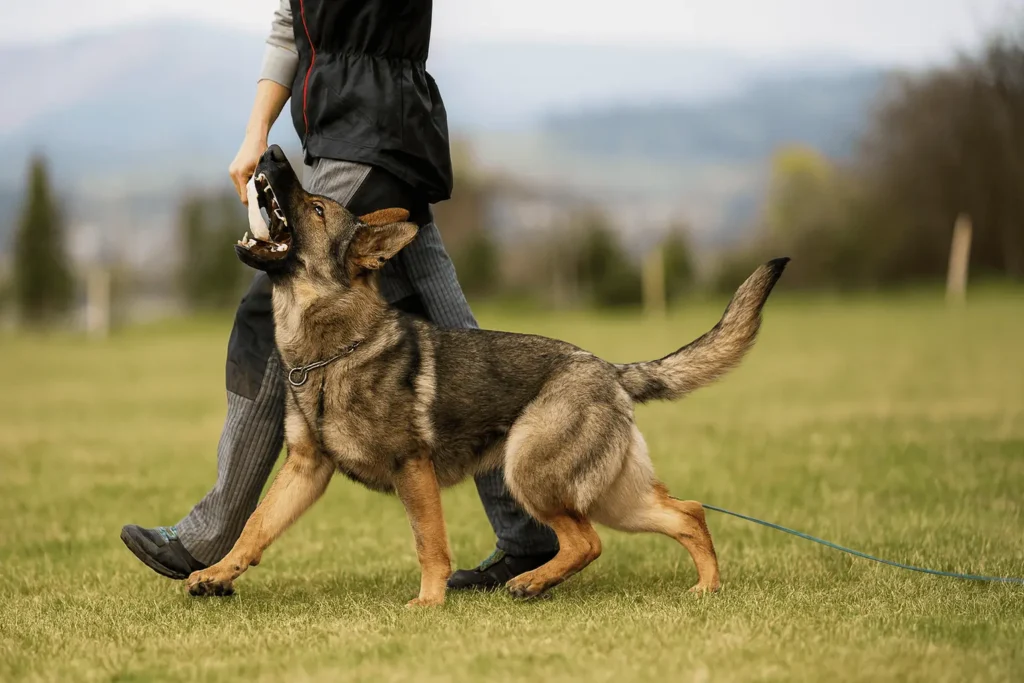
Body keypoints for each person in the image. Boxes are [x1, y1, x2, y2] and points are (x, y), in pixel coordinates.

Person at [120, 0, 558, 591]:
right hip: (348, 135)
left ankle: (211, 533)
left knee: (269, 303)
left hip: (376, 129)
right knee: (449, 331)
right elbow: (288, 24)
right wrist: (256, 131)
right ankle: (529, 535)